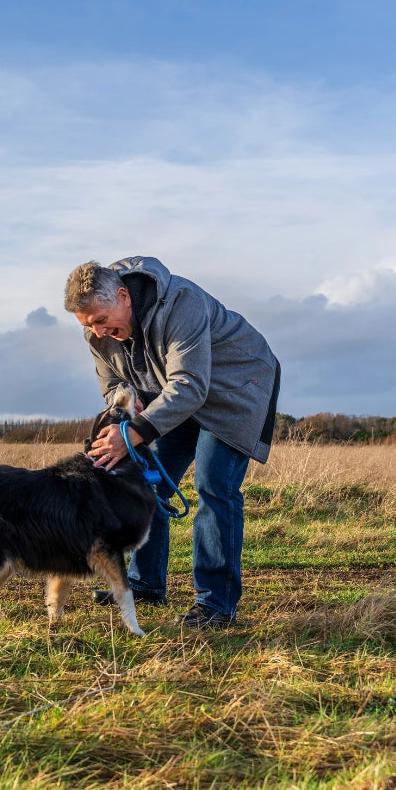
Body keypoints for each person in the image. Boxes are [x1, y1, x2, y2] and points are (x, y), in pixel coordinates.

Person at [64, 256, 280, 628]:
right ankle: (145, 582)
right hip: (177, 397)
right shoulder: (98, 334)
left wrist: (133, 433)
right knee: (148, 485)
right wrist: (130, 402)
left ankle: (216, 604)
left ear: (123, 296)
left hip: (236, 388)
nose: (97, 332)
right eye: (88, 325)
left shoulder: (182, 303)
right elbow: (112, 385)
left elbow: (190, 384)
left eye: (101, 320)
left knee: (214, 484)